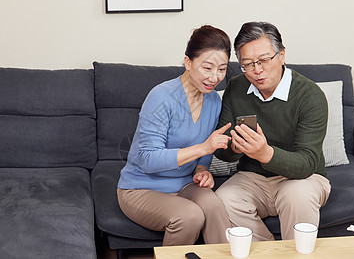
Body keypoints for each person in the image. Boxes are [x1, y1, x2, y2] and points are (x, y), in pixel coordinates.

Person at [214, 22, 331, 241]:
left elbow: (307, 162)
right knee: (222, 199)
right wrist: (235, 147)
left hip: (303, 178)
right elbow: (222, 151)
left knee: (297, 195)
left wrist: (264, 153)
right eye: (248, 64)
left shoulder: (310, 96)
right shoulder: (236, 87)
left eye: (264, 60)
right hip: (253, 178)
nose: (257, 70)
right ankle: (268, 252)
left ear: (282, 55)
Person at [117, 25, 232, 246]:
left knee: (215, 206)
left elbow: (204, 155)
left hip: (184, 184)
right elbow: (148, 160)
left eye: (222, 69)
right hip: (141, 187)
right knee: (190, 216)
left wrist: (202, 169)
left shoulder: (214, 101)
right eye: (207, 67)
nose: (214, 77)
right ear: (188, 63)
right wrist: (203, 148)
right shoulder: (161, 97)